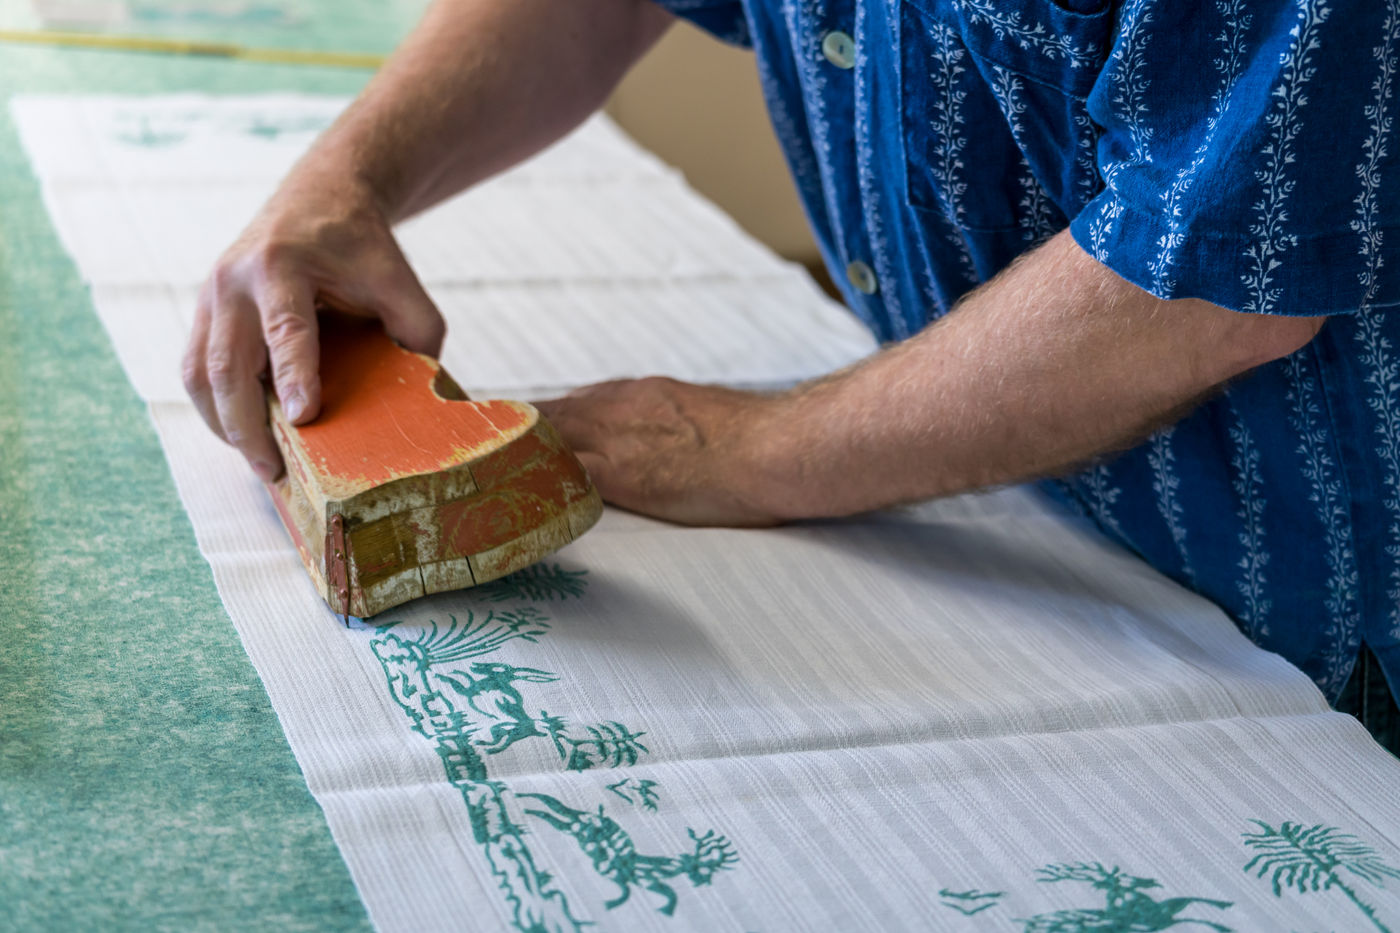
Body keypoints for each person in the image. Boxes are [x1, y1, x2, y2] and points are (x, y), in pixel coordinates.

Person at [181, 0, 1400, 753]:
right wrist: (344, 181)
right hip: (1052, 527)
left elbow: (1208, 282)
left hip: (1337, 633)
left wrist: (745, 449)